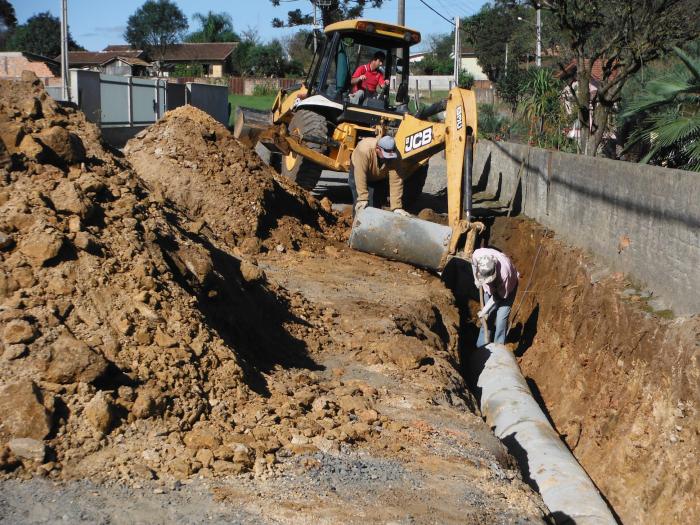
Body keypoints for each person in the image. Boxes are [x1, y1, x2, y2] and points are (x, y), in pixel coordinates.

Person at [349, 135, 411, 217]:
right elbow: (360, 174)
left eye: (390, 156)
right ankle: (357, 226)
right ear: (377, 149)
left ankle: (373, 227)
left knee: (375, 205)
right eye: (386, 155)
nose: (388, 159)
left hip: (379, 176)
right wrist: (362, 198)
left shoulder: (395, 156)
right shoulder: (364, 150)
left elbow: (396, 181)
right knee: (361, 205)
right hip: (358, 173)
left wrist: (397, 207)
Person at [471, 248, 519, 346]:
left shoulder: (505, 275)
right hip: (491, 289)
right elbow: (474, 264)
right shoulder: (478, 254)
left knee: (501, 319)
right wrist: (476, 279)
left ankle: (499, 347)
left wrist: (484, 310)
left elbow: (497, 297)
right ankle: (481, 347)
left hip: (507, 291)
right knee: (487, 318)